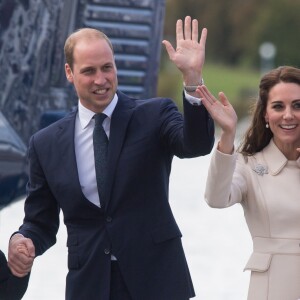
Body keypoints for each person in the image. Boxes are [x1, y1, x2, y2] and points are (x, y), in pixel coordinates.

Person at [7, 16, 214, 300]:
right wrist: (22, 240)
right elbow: (39, 223)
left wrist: (192, 80)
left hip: (157, 283)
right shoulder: (44, 144)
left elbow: (197, 145)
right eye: (89, 71)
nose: (101, 80)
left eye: (107, 68)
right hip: (89, 286)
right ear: (70, 72)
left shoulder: (154, 115)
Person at [197, 66, 300, 300]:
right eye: (278, 106)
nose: (288, 115)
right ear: (265, 114)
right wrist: (228, 134)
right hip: (273, 290)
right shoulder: (248, 165)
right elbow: (215, 198)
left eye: (297, 105)